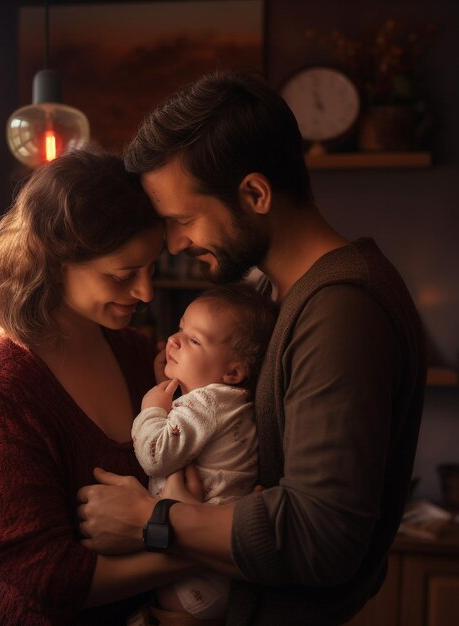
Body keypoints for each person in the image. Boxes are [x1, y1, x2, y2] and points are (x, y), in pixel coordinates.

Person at [76, 69, 427, 626]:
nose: (174, 244)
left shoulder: (342, 308)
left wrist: (153, 521)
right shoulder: (268, 295)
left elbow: (322, 536)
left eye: (183, 219)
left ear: (256, 193)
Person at [0, 148, 199, 625]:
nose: (146, 293)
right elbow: (45, 576)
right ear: (53, 258)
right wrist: (198, 548)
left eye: (151, 268)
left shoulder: (131, 349)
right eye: (124, 275)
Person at [133, 284, 277, 622]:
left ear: (233, 372)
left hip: (193, 578)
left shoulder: (208, 401)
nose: (174, 341)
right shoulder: (229, 402)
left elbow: (156, 454)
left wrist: (151, 409)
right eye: (180, 329)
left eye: (194, 340)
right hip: (213, 571)